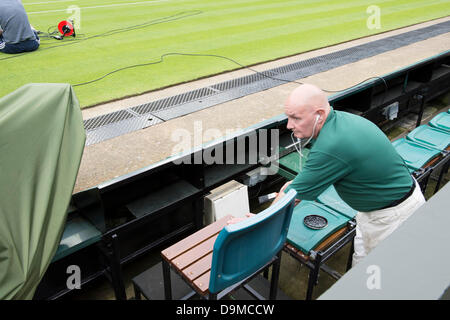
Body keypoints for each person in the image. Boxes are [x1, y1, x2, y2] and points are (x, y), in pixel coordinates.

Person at [273, 83, 426, 265]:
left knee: (379, 281)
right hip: (379, 209)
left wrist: (260, 222)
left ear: (319, 115)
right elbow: (294, 188)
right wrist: (290, 191)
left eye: (296, 118)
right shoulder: (341, 121)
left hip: (391, 218)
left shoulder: (331, 145)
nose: (289, 125)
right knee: (361, 267)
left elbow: (292, 195)